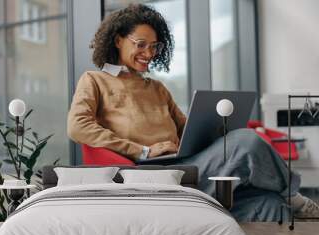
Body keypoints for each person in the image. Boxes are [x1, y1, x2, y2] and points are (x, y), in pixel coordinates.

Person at [67, 4, 319, 218]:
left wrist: (219, 128)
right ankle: (295, 196)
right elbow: (77, 127)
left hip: (184, 165)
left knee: (269, 205)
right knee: (247, 141)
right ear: (118, 40)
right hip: (149, 175)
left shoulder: (156, 88)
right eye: (141, 44)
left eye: (155, 46)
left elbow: (188, 128)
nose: (149, 53)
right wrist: (142, 150)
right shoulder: (95, 80)